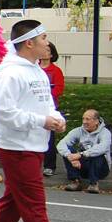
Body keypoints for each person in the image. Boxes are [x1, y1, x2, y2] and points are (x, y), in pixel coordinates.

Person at [0, 20, 85, 222]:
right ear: (29, 42)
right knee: (35, 205)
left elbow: (46, 103)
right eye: (44, 38)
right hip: (17, 147)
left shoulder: (36, 70)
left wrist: (55, 117)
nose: (47, 43)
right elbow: (3, 114)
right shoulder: (11, 74)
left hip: (33, 145)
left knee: (13, 202)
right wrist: (41, 121)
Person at [58, 109, 112, 194]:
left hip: (100, 169)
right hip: (82, 167)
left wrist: (81, 155)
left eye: (87, 119)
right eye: (83, 119)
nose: (84, 122)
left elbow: (102, 148)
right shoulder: (78, 131)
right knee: (68, 150)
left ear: (96, 121)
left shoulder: (105, 133)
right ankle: (75, 181)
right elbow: (61, 144)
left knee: (96, 153)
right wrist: (70, 156)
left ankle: (94, 184)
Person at [40, 42, 64, 176]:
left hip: (49, 107)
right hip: (34, 108)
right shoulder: (34, 68)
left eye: (48, 50)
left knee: (49, 137)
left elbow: (58, 88)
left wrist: (45, 97)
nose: (44, 52)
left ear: (52, 54)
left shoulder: (55, 71)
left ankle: (49, 165)